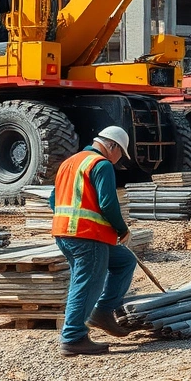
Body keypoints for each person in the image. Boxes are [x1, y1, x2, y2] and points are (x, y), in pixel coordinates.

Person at [50, 125, 136, 357]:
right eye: (121, 154)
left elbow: (52, 200)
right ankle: (73, 337)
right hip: (89, 236)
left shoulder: (70, 162)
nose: (119, 160)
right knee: (87, 284)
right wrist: (121, 229)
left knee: (124, 261)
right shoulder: (101, 164)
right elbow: (108, 204)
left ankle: (103, 311)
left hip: (66, 234)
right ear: (112, 146)